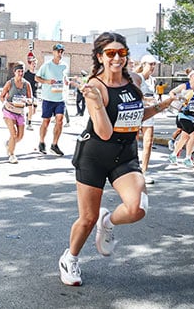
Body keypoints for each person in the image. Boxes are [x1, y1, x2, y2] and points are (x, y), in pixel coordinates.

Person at [58, 32, 175, 286]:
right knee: (87, 218)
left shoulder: (133, 80)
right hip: (95, 156)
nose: (117, 58)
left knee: (137, 208)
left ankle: (108, 222)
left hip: (125, 155)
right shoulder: (95, 87)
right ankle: (71, 258)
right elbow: (104, 132)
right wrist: (98, 103)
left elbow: (136, 116)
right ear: (100, 57)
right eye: (110, 53)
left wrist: (165, 104)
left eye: (121, 53)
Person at [167, 69, 194, 168]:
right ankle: (187, 158)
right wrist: (178, 99)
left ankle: (173, 155)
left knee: (185, 137)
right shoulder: (185, 86)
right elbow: (172, 92)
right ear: (191, 76)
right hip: (184, 114)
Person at [35, 44, 69, 156]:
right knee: (46, 121)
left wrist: (66, 81)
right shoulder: (47, 65)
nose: (60, 53)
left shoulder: (64, 66)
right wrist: (47, 82)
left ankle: (54, 144)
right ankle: (41, 142)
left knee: (60, 120)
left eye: (62, 51)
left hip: (60, 98)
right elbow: (37, 77)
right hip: (48, 98)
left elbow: (64, 77)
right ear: (53, 52)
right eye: (58, 51)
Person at [0, 62, 33, 164]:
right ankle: (12, 154)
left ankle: (9, 144)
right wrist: (5, 103)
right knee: (13, 134)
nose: (20, 73)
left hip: (20, 111)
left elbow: (30, 98)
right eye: (18, 71)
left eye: (22, 71)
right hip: (9, 111)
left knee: (20, 136)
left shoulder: (27, 84)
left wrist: (28, 102)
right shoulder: (10, 83)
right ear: (14, 72)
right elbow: (1, 96)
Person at [136, 54, 159, 184]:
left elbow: (153, 96)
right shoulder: (137, 78)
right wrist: (145, 99)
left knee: (148, 142)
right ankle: (131, 170)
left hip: (149, 114)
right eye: (151, 64)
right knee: (132, 143)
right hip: (136, 113)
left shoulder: (153, 80)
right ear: (143, 64)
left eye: (154, 64)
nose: (152, 67)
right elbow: (133, 95)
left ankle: (144, 171)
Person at [23, 58, 38, 130]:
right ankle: (29, 124)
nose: (34, 65)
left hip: (35, 93)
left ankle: (27, 116)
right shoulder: (26, 74)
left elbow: (39, 83)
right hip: (28, 93)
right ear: (30, 64)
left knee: (34, 111)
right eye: (33, 64)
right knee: (31, 108)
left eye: (35, 64)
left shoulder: (37, 74)